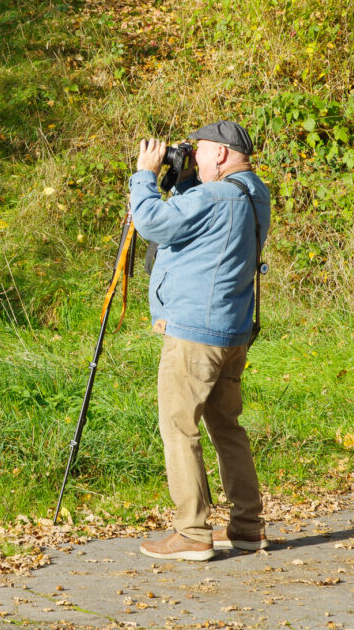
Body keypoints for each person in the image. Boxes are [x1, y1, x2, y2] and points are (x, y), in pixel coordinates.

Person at [128, 120, 271, 561]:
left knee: (179, 426)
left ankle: (191, 532)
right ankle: (247, 528)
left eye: (200, 151)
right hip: (232, 331)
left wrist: (145, 176)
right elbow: (200, 225)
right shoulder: (254, 192)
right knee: (227, 426)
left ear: (222, 155)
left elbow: (153, 222)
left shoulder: (215, 195)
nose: (195, 157)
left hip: (194, 335)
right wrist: (187, 177)